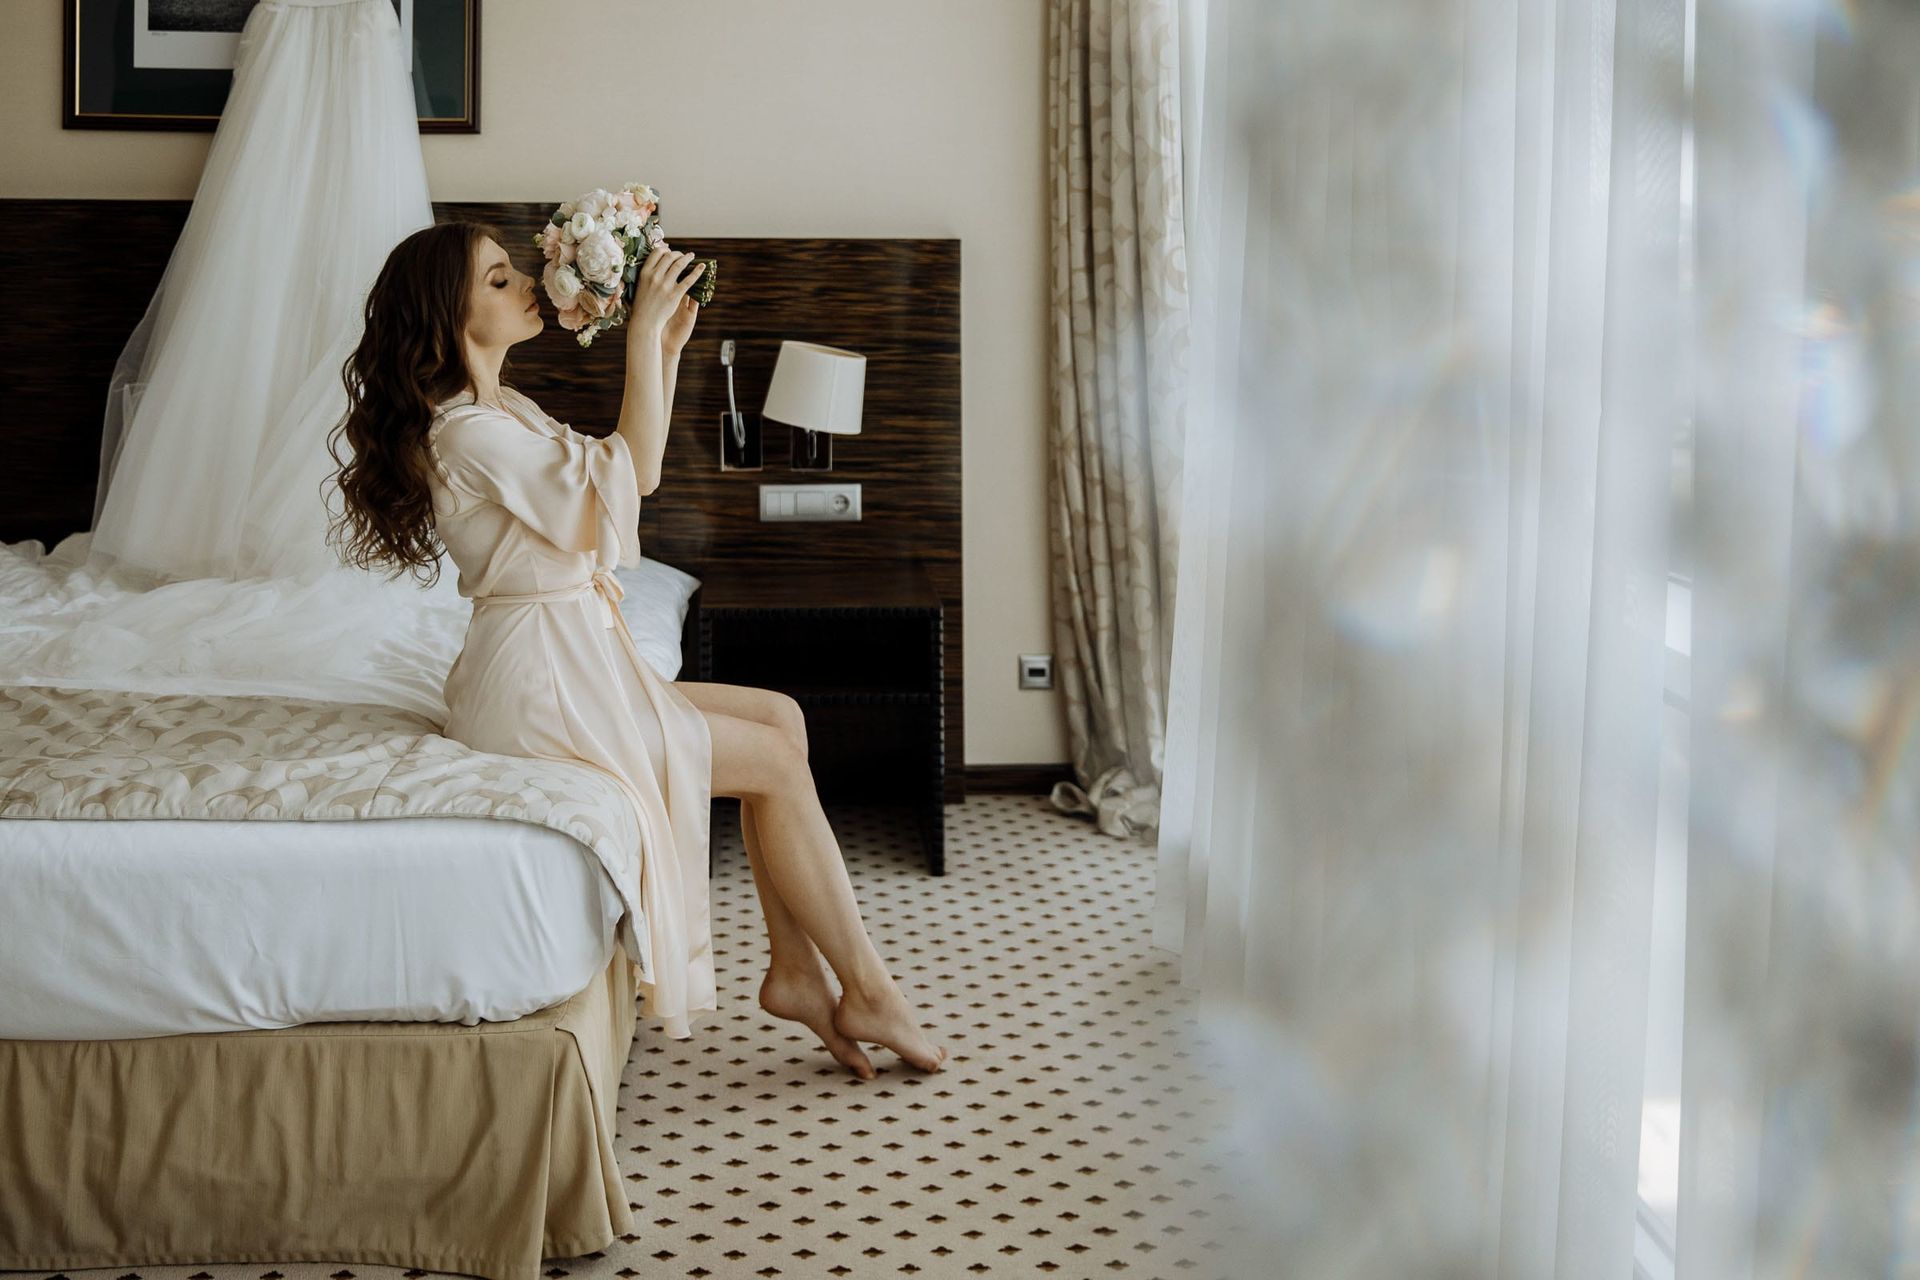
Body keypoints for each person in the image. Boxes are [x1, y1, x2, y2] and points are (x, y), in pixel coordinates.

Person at [326, 220, 946, 1077]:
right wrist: (643, 338)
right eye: (499, 280)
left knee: (782, 716)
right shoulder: (466, 432)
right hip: (539, 677)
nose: (525, 287)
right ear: (449, 313)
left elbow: (615, 472)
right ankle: (867, 987)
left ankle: (800, 971)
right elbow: (632, 479)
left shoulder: (506, 408)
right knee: (769, 759)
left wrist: (668, 347)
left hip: (575, 650)